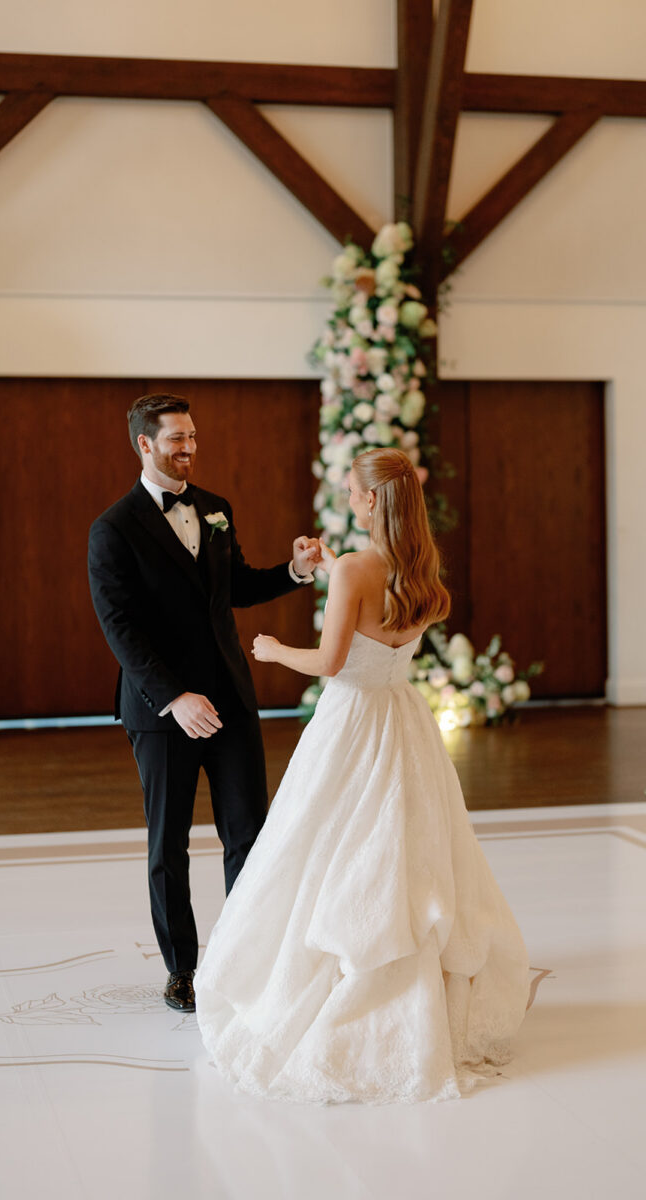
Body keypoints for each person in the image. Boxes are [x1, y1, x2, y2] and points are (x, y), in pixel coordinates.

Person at [194, 447, 530, 1104]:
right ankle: (418, 974)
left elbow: (331, 659)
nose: (347, 498)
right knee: (407, 847)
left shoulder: (355, 568)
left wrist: (271, 649)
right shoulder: (423, 572)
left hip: (350, 723)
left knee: (323, 843)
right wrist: (330, 572)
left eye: (352, 491)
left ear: (374, 501)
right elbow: (379, 633)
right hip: (403, 719)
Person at [87, 393, 322, 1014]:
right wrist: (171, 698)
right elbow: (120, 628)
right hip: (163, 714)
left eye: (192, 437)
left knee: (249, 835)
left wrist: (293, 572)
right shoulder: (112, 529)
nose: (189, 448)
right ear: (145, 444)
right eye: (175, 440)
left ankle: (246, 958)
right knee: (168, 846)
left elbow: (235, 586)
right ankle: (181, 971)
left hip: (230, 702)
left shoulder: (216, 509)